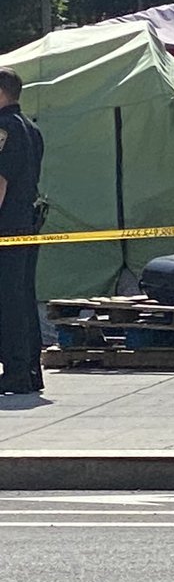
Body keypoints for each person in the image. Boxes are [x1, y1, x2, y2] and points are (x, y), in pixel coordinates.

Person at [0, 67, 45, 394]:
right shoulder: (30, 127)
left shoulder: (3, 128)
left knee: (8, 301)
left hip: (5, 226)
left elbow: (0, 182)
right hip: (26, 224)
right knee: (24, 298)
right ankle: (30, 369)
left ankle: (15, 370)